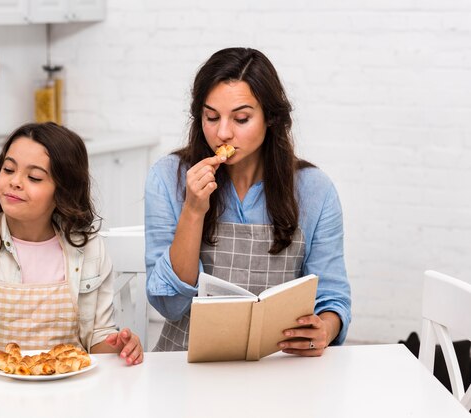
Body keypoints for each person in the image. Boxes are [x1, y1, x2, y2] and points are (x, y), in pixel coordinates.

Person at [145, 47, 351, 356]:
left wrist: (324, 328)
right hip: (184, 361)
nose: (222, 133)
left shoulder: (314, 189)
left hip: (277, 364)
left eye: (241, 118)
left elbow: (332, 298)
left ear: (270, 117)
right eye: (211, 117)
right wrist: (192, 211)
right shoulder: (168, 177)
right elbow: (170, 305)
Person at [0, 122, 143, 365]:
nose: (15, 181)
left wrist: (121, 346)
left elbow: (99, 341)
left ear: (63, 192)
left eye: (34, 177)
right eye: (8, 169)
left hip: (67, 392)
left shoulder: (89, 248)